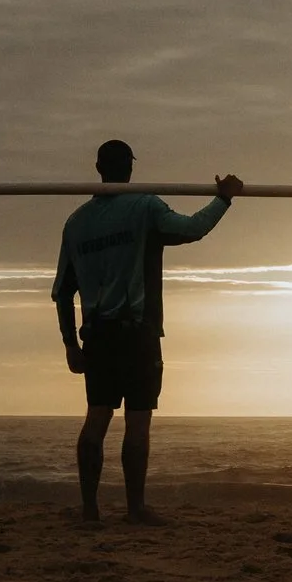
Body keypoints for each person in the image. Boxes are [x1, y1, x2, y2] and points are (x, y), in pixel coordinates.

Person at [51, 141, 240, 523]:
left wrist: (71, 344)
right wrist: (224, 199)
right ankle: (135, 509)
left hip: (98, 336)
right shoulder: (143, 206)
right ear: (130, 169)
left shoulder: (76, 222)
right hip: (137, 334)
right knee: (138, 419)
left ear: (99, 168)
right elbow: (191, 229)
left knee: (97, 417)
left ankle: (90, 510)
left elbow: (62, 292)